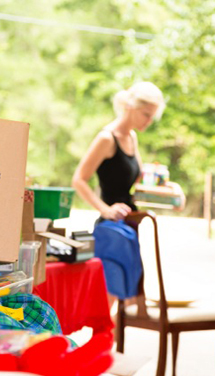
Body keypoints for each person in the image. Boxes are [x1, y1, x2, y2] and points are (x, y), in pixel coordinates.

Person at [72, 82, 181, 311]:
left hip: (130, 226)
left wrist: (172, 189)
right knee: (109, 301)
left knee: (128, 301)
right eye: (146, 115)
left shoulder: (132, 137)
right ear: (131, 107)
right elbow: (79, 179)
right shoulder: (106, 138)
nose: (148, 122)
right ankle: (102, 345)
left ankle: (113, 346)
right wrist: (105, 209)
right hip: (111, 229)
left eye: (152, 117)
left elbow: (141, 179)